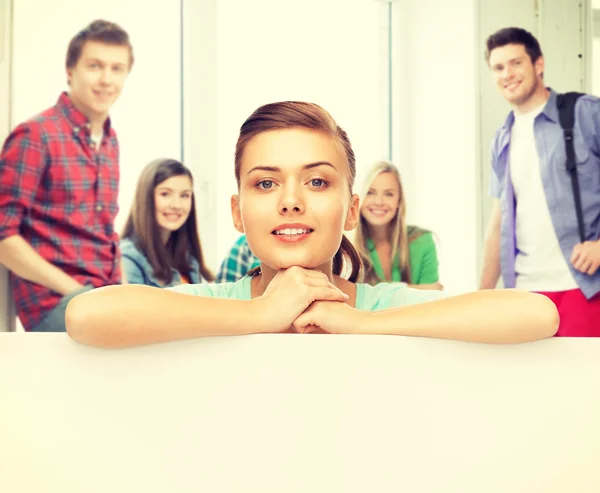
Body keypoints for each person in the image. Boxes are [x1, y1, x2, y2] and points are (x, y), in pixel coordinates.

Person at [66, 101, 559, 348]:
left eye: (318, 182)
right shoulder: (218, 306)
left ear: (351, 210)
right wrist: (261, 317)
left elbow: (537, 315)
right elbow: (86, 316)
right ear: (238, 212)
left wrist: (363, 323)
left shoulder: (380, 306)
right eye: (265, 184)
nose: (291, 201)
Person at [0, 19, 133, 332]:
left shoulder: (110, 141)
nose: (106, 79)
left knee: (171, 327)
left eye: (117, 69)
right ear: (70, 71)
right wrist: (74, 291)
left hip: (103, 296)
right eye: (95, 66)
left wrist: (128, 292)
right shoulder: (35, 135)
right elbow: (3, 236)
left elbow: (105, 233)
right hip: (57, 302)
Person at [480, 27, 600, 337]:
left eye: (516, 63)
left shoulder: (584, 114)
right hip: (525, 293)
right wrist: (481, 295)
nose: (508, 73)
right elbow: (498, 223)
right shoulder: (502, 139)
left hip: (583, 287)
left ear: (538, 64)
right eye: (498, 67)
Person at [120, 158, 214, 287]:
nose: (177, 205)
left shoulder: (188, 259)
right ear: (145, 198)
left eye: (184, 195)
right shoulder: (128, 259)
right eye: (165, 194)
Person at [354, 161, 442, 289]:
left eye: (388, 194)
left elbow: (432, 300)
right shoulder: (345, 247)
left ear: (399, 201)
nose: (379, 202)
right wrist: (416, 290)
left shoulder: (422, 240)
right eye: (370, 193)